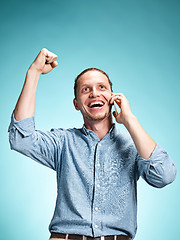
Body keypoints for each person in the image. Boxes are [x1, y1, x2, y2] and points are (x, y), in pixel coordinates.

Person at [8, 48, 176, 240]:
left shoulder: (135, 145)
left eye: (102, 87)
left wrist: (130, 120)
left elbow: (164, 176)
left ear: (113, 97)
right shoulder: (63, 142)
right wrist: (33, 72)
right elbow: (21, 139)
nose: (94, 93)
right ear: (76, 104)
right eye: (85, 90)